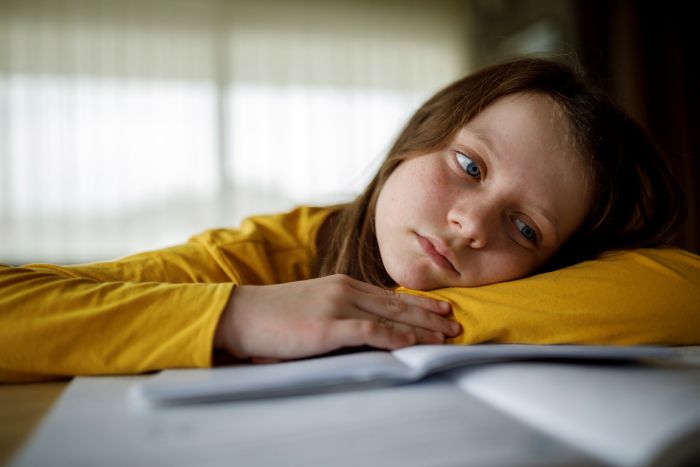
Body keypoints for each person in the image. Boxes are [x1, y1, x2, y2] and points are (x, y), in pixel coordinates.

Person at [1, 56, 699, 383]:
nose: (470, 225)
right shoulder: (263, 254)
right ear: (417, 137)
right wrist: (240, 315)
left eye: (526, 230)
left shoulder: (526, 298)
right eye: (470, 165)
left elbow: (683, 285)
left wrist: (388, 320)